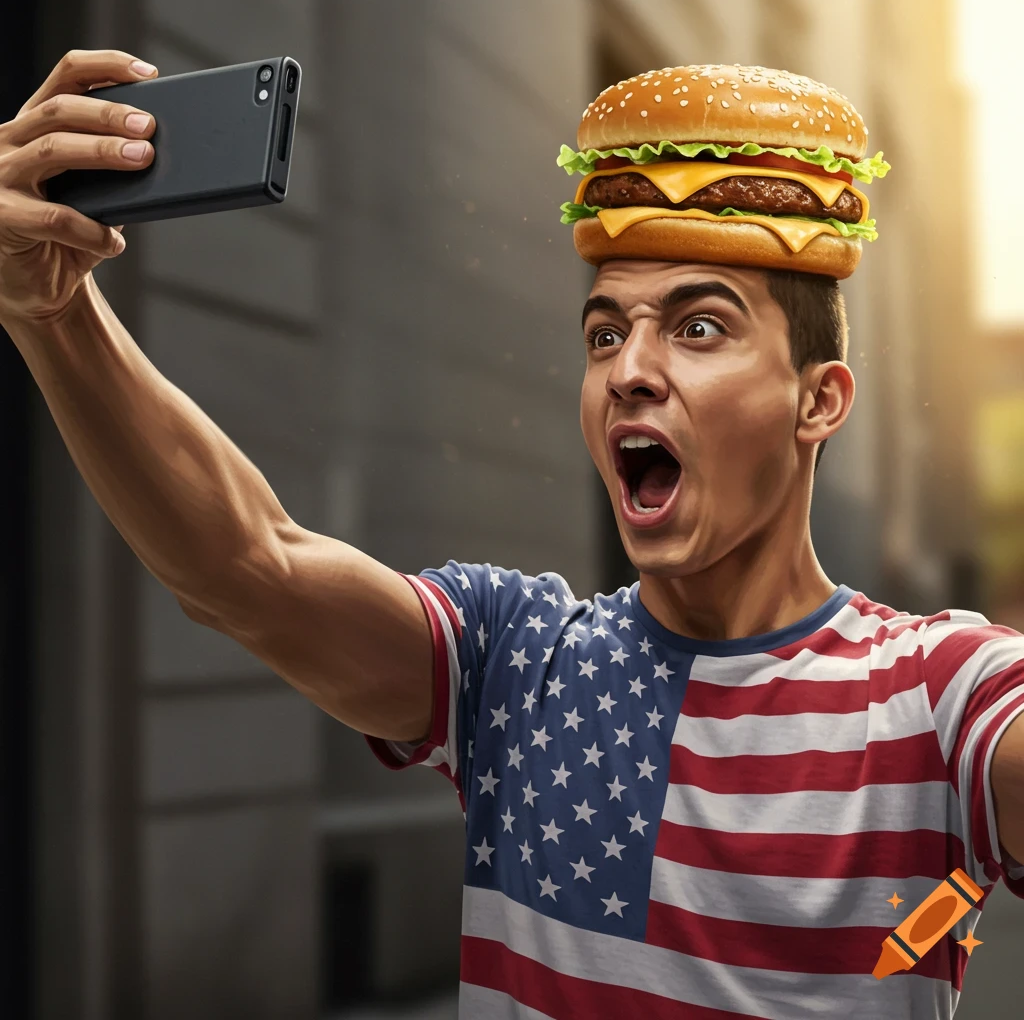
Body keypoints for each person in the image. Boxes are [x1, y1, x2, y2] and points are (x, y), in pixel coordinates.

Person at [1, 50, 1022, 1020]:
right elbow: (249, 564)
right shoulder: (515, 660)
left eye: (698, 327)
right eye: (605, 333)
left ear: (820, 401)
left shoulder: (939, 693)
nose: (628, 369)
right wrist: (50, 312)